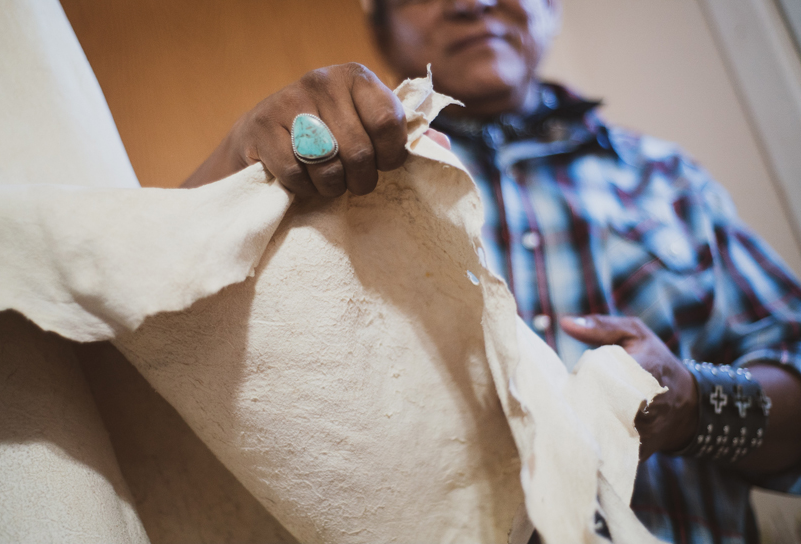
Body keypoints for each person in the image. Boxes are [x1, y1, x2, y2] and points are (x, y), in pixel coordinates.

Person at [183, 0, 801, 541]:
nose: (470, 3)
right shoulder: (319, 166)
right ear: (380, 22)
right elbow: (154, 322)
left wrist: (696, 405)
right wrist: (238, 154)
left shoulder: (669, 183)